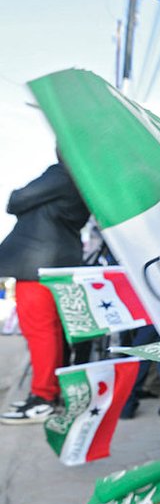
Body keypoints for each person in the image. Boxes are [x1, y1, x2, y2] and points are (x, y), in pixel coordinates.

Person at [0, 150, 89, 424]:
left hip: (36, 263)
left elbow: (16, 200)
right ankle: (49, 394)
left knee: (40, 332)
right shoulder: (86, 179)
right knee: (52, 333)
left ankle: (42, 399)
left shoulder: (61, 173)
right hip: (59, 260)